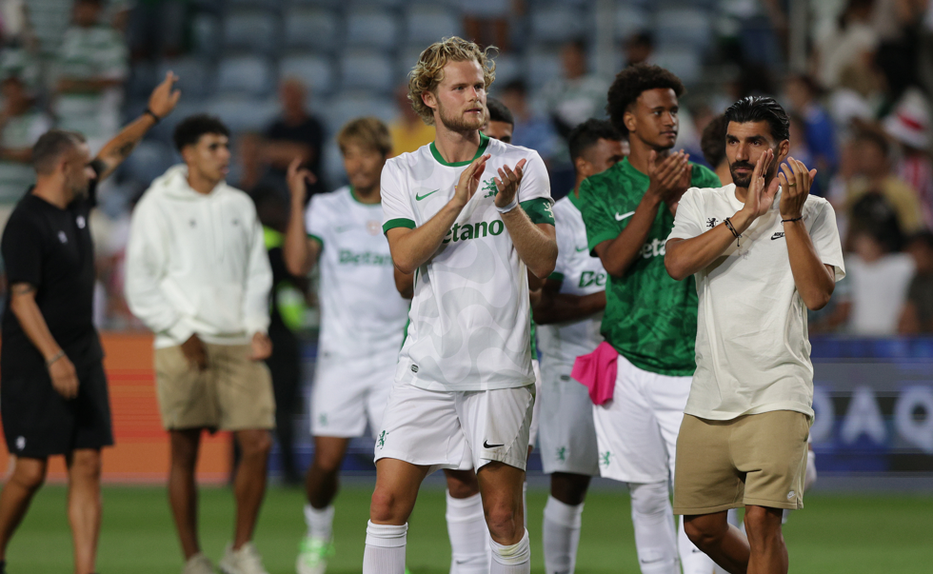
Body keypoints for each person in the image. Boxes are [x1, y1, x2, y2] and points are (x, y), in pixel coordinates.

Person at [363, 36, 557, 574]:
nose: (475, 96)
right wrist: (456, 201)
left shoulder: (522, 162)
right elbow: (405, 256)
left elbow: (544, 262)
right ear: (429, 98)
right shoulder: (402, 171)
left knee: (502, 517)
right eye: (460, 87)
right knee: (386, 503)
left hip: (499, 369)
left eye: (479, 86)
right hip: (425, 367)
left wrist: (509, 207)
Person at [0, 72, 179, 574]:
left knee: (87, 463)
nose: (94, 169)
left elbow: (113, 153)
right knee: (30, 472)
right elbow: (21, 300)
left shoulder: (77, 199)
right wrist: (54, 357)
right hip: (34, 362)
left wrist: (151, 115)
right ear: (63, 167)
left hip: (83, 354)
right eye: (84, 163)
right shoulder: (26, 223)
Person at [665, 95, 845, 574]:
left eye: (755, 142)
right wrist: (747, 213)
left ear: (781, 148)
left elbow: (817, 295)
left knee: (762, 521)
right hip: (711, 391)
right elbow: (677, 264)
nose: (740, 154)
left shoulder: (815, 211)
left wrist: (789, 216)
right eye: (732, 141)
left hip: (778, 389)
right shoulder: (701, 201)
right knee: (700, 528)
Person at [576, 63, 721, 574]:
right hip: (629, 364)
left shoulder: (703, 181)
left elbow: (716, 258)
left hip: (693, 365)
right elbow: (615, 262)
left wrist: (679, 200)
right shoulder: (600, 189)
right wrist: (654, 196)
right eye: (658, 111)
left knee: (700, 501)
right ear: (630, 120)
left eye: (674, 110)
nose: (670, 119)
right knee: (646, 493)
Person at [124, 115, 275, 574]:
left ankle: (239, 550)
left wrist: (256, 324)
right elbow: (139, 280)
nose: (224, 154)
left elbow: (257, 272)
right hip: (182, 342)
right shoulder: (157, 204)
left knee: (258, 443)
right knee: (184, 452)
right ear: (187, 153)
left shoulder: (239, 203)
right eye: (213, 147)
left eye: (226, 146)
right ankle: (193, 558)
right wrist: (178, 329)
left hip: (238, 340)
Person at [283, 117, 410, 574]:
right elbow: (298, 264)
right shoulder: (327, 208)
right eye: (349, 155)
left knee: (397, 467)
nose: (357, 164)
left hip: (394, 357)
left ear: (384, 158)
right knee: (326, 462)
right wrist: (297, 201)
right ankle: (318, 535)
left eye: (366, 154)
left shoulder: (404, 207)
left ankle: (389, 555)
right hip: (340, 356)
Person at [534, 118, 625, 574]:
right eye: (614, 161)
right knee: (569, 485)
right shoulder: (559, 222)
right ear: (584, 165)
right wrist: (612, 297)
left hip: (631, 364)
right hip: (572, 366)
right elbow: (543, 308)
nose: (623, 169)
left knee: (658, 480)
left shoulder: (632, 217)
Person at [53, 0, 128, 152]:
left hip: (97, 122)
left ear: (98, 10)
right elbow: (59, 80)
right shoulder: (69, 35)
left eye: (88, 7)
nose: (83, 12)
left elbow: (115, 78)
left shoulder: (109, 37)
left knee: (95, 164)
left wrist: (75, 85)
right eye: (80, 7)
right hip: (67, 120)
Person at [0, 75, 52, 203]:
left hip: (24, 186)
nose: (12, 100)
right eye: (7, 95)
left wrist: (4, 153)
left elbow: (33, 153)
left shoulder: (38, 120)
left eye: (15, 94)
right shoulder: (3, 120)